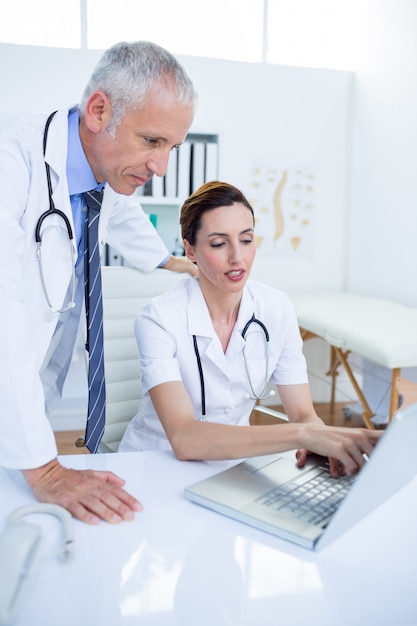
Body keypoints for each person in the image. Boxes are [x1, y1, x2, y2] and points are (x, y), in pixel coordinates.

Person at [0, 41, 198, 525]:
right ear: (98, 110)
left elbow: (124, 213)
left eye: (172, 147)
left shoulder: (104, 172)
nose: (161, 167)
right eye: (152, 141)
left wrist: (168, 262)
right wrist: (46, 469)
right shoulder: (11, 158)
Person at [119, 181, 383, 474]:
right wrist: (302, 435)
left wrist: (321, 443)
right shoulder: (159, 318)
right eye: (219, 243)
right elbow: (183, 438)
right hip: (155, 463)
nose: (237, 257)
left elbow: (303, 414)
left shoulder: (276, 308)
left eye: (246, 240)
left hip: (234, 465)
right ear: (190, 250)